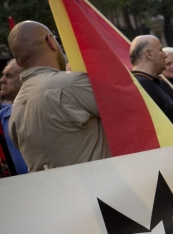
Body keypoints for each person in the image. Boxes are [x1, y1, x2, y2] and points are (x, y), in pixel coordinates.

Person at [8, 21, 111, 172]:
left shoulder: (15, 110)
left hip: (56, 193)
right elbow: (131, 112)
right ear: (50, 41)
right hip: (103, 191)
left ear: (18, 61)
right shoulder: (72, 84)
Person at [129, 35, 173, 124]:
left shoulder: (151, 82)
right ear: (149, 54)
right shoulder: (141, 85)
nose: (165, 55)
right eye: (160, 50)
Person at [0, 59, 27, 175]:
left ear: (25, 79)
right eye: (3, 75)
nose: (2, 80)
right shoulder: (2, 117)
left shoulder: (41, 112)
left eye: (9, 76)